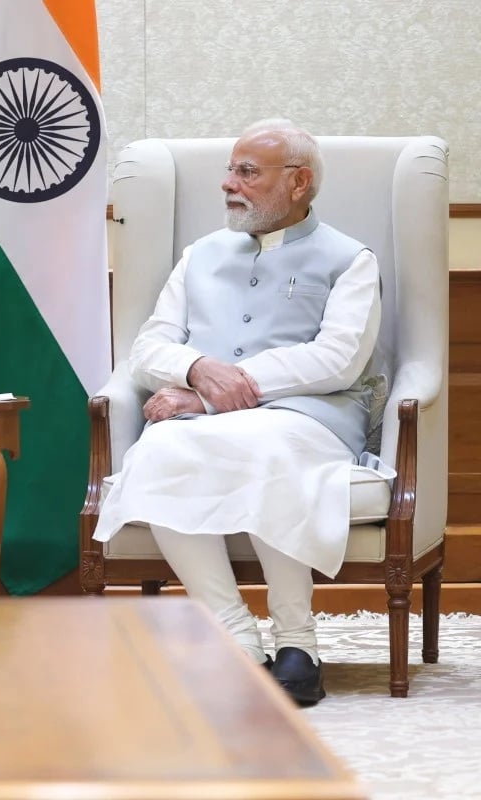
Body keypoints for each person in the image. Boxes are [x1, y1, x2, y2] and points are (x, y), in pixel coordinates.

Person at [93, 118, 384, 707]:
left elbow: (339, 359)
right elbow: (150, 347)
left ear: (298, 182)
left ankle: (299, 642)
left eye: (247, 172)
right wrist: (199, 368)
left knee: (267, 446)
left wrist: (215, 391)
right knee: (158, 451)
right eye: (229, 171)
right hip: (207, 421)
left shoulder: (350, 259)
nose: (230, 184)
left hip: (311, 418)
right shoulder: (199, 255)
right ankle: (235, 636)